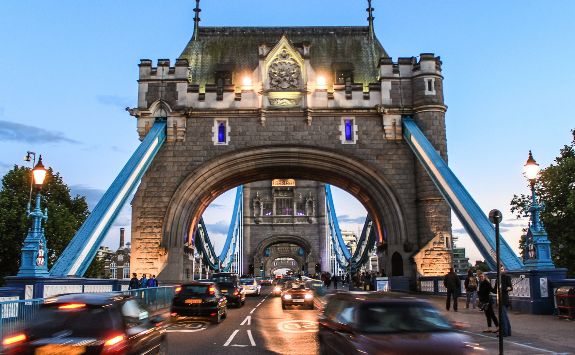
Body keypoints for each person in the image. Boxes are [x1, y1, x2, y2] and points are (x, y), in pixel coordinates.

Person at [496, 266, 512, 337]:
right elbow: (495, 289)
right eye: (499, 269)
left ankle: (505, 332)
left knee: (503, 316)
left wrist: (504, 288)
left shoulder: (506, 277)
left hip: (504, 298)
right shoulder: (498, 278)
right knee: (503, 315)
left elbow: (510, 287)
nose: (501, 270)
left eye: (502, 269)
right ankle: (507, 331)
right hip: (499, 299)